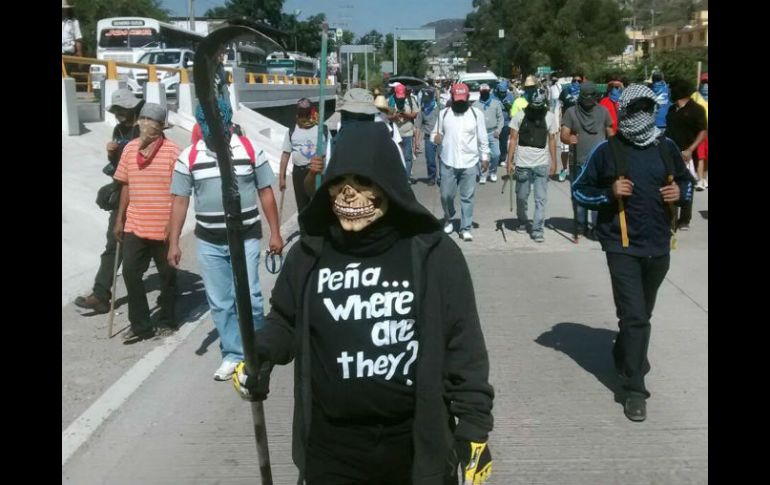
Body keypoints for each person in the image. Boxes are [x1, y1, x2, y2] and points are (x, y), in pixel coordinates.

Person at [233, 121, 494, 484]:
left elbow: (463, 343)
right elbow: (285, 321)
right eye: (340, 185)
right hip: (331, 448)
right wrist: (259, 353)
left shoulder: (433, 255)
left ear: (388, 186)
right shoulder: (310, 254)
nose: (350, 196)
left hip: (413, 447)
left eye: (364, 184)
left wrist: (473, 426)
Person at [572, 84, 694, 422]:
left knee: (643, 314)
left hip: (658, 246)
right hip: (621, 246)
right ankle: (634, 388)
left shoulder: (666, 147)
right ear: (625, 111)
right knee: (634, 316)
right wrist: (609, 193)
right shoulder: (607, 151)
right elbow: (580, 190)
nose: (643, 114)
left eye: (648, 107)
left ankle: (625, 350)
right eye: (637, 107)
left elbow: (686, 182)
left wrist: (678, 194)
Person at [168, 97, 283, 380]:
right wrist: (173, 242)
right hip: (209, 240)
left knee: (252, 297)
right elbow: (179, 200)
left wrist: (276, 233)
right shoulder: (189, 157)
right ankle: (233, 353)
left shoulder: (249, 150)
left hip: (245, 237)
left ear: (228, 122)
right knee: (220, 301)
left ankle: (257, 349)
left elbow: (266, 191)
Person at [113, 103, 180, 343]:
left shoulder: (173, 152)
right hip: (135, 224)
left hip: (163, 226)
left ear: (161, 126)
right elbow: (126, 184)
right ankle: (141, 325)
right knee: (130, 273)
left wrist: (173, 227)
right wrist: (120, 217)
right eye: (142, 119)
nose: (145, 124)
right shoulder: (130, 150)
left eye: (150, 120)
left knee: (167, 277)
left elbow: (179, 194)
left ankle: (167, 319)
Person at [75, 89, 143, 314]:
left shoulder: (144, 128)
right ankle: (101, 294)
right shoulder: (118, 129)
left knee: (156, 248)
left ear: (132, 107)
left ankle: (169, 301)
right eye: (116, 110)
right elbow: (117, 167)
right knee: (113, 243)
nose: (119, 114)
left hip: (144, 194)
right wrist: (111, 153)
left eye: (122, 109)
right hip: (122, 192)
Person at [431, 83, 490, 242]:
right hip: (448, 161)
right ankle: (449, 218)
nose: (459, 103)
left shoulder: (477, 114)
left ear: (468, 98)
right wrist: (435, 138)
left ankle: (466, 227)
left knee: (467, 197)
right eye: (456, 100)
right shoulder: (444, 114)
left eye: (462, 100)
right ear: (452, 98)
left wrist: (485, 157)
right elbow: (434, 134)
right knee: (445, 196)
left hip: (469, 162)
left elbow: (483, 138)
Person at [560, 81, 614, 237]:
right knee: (578, 195)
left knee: (597, 195)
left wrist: (614, 148)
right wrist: (568, 138)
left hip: (599, 162)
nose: (589, 99)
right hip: (578, 161)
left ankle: (597, 227)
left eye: (592, 96)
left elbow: (610, 131)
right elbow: (564, 133)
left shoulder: (603, 112)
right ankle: (580, 225)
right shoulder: (571, 112)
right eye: (586, 96)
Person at [505, 87, 558, 243]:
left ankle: (537, 229)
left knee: (540, 198)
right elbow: (513, 139)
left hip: (541, 163)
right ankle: (522, 220)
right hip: (522, 163)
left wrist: (554, 162)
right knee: (521, 196)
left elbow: (552, 140)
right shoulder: (519, 116)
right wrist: (509, 160)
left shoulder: (550, 117)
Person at [665, 77, 707, 230]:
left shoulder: (696, 110)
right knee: (671, 183)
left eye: (672, 89)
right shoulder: (671, 109)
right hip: (671, 153)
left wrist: (690, 149)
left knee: (686, 185)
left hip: (689, 155)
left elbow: (703, 132)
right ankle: (671, 218)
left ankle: (684, 219)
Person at [280, 98, 324, 214]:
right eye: (301, 111)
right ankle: (304, 231)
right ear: (297, 111)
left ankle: (317, 231)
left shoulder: (321, 129)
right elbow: (285, 154)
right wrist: (282, 178)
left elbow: (330, 153)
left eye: (306, 111)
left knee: (318, 204)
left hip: (317, 171)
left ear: (311, 111)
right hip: (299, 172)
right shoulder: (291, 130)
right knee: (302, 206)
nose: (303, 113)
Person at [473, 83, 504, 183]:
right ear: (480, 92)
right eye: (483, 92)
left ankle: (493, 172)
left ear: (489, 91)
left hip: (493, 132)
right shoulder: (475, 105)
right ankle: (482, 174)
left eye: (486, 91)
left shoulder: (496, 103)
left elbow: (501, 119)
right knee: (481, 155)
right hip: (480, 134)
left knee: (496, 154)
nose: (485, 93)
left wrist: (498, 130)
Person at [389, 83, 419, 183]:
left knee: (407, 157)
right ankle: (397, 178)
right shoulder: (391, 100)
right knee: (396, 156)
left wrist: (407, 115)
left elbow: (415, 114)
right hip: (395, 133)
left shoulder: (411, 100)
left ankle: (406, 178)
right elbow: (387, 116)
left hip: (407, 132)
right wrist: (395, 116)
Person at [557, 73, 584, 180]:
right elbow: (559, 108)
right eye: (574, 81)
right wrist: (559, 122)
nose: (576, 83)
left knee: (579, 148)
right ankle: (564, 169)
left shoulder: (584, 93)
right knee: (565, 150)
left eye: (579, 81)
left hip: (580, 124)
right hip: (567, 124)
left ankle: (578, 171)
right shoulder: (565, 91)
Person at [414, 87, 441, 185]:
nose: (426, 102)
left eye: (428, 99)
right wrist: (416, 142)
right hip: (428, 138)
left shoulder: (439, 107)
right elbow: (417, 127)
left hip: (440, 137)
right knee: (430, 160)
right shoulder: (422, 111)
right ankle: (431, 177)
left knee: (442, 159)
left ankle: (441, 178)